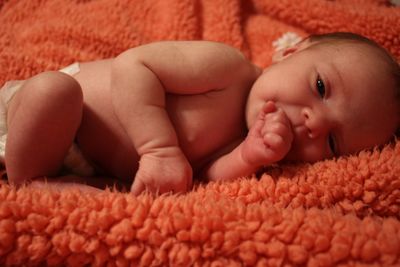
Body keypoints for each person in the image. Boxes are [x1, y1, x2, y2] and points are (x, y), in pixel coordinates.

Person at [1, 32, 399, 194]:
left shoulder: (258, 143)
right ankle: (30, 180)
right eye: (320, 88)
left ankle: (47, 178)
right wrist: (158, 149)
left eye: (332, 141)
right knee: (55, 90)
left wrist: (249, 156)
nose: (313, 123)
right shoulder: (227, 69)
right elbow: (133, 67)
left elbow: (204, 176)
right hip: (42, 113)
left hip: (78, 160)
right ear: (293, 51)